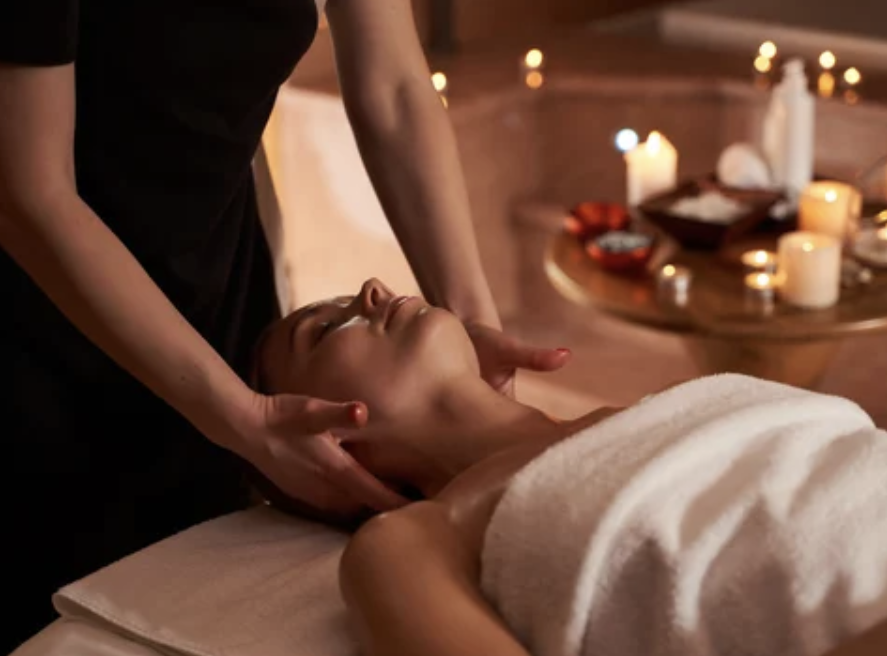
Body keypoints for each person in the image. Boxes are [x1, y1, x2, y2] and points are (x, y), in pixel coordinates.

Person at [0, 1, 570, 650]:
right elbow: (31, 194)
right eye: (326, 326)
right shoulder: (401, 550)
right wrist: (238, 415)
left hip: (212, 274)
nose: (373, 289)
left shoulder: (647, 431)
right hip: (30, 327)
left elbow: (395, 87)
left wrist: (471, 328)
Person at [254, 278, 887, 656]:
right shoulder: (414, 542)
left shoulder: (675, 400)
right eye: (325, 325)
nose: (376, 290)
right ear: (322, 450)